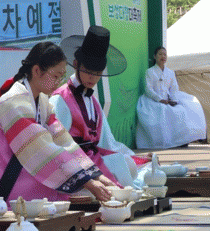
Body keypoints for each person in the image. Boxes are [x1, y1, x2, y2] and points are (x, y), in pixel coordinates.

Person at [0, 42, 114, 205]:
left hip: (13, 159)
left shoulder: (43, 101)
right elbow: (40, 146)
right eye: (55, 76)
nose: (58, 82)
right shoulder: (15, 100)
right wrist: (88, 182)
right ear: (36, 71)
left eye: (61, 77)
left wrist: (96, 175)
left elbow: (63, 139)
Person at [50, 26, 150, 187]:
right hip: (73, 164)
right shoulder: (61, 98)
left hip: (93, 159)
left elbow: (107, 142)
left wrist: (135, 157)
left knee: (128, 163)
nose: (93, 77)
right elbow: (55, 145)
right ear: (76, 64)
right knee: (123, 168)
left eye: (97, 73)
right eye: (88, 71)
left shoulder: (94, 102)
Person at [135, 46, 207, 149]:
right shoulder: (150, 72)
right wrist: (160, 99)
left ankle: (181, 140)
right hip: (153, 100)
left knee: (181, 110)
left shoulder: (170, 72)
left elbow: (174, 88)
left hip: (168, 100)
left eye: (164, 54)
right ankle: (163, 141)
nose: (163, 56)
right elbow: (148, 89)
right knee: (163, 111)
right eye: (160, 54)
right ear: (155, 56)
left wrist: (174, 100)